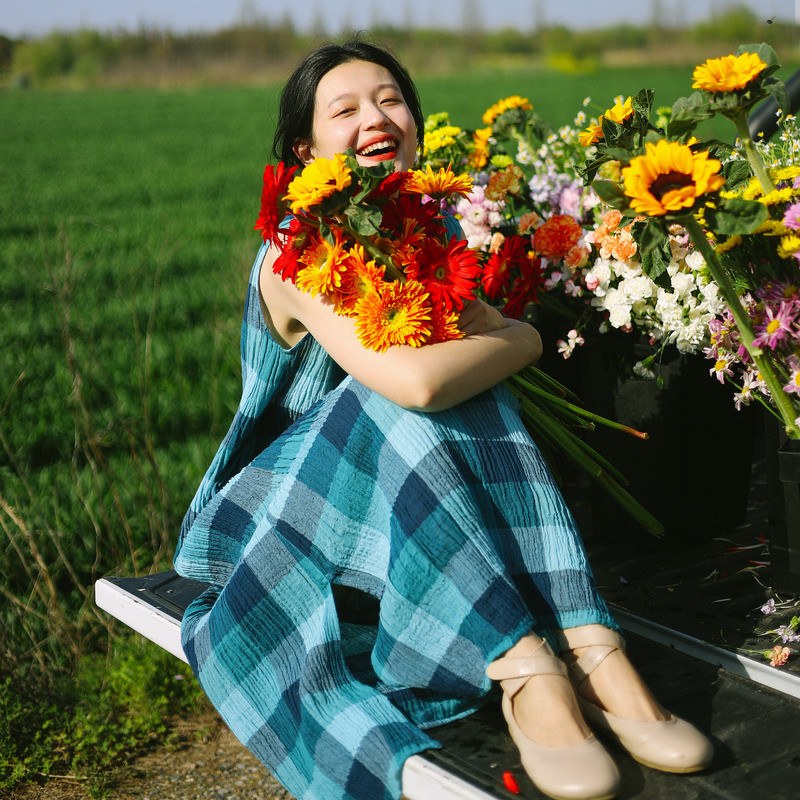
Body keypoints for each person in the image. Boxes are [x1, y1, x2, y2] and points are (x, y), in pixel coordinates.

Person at [173, 36, 713, 800]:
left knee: (449, 388)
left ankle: (584, 654)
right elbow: (418, 384)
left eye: (391, 99)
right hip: (288, 508)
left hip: (402, 496)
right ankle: (540, 658)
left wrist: (502, 336)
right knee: (400, 392)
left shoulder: (426, 228)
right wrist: (521, 337)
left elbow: (472, 342)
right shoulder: (295, 248)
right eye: (346, 108)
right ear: (304, 148)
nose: (375, 117)